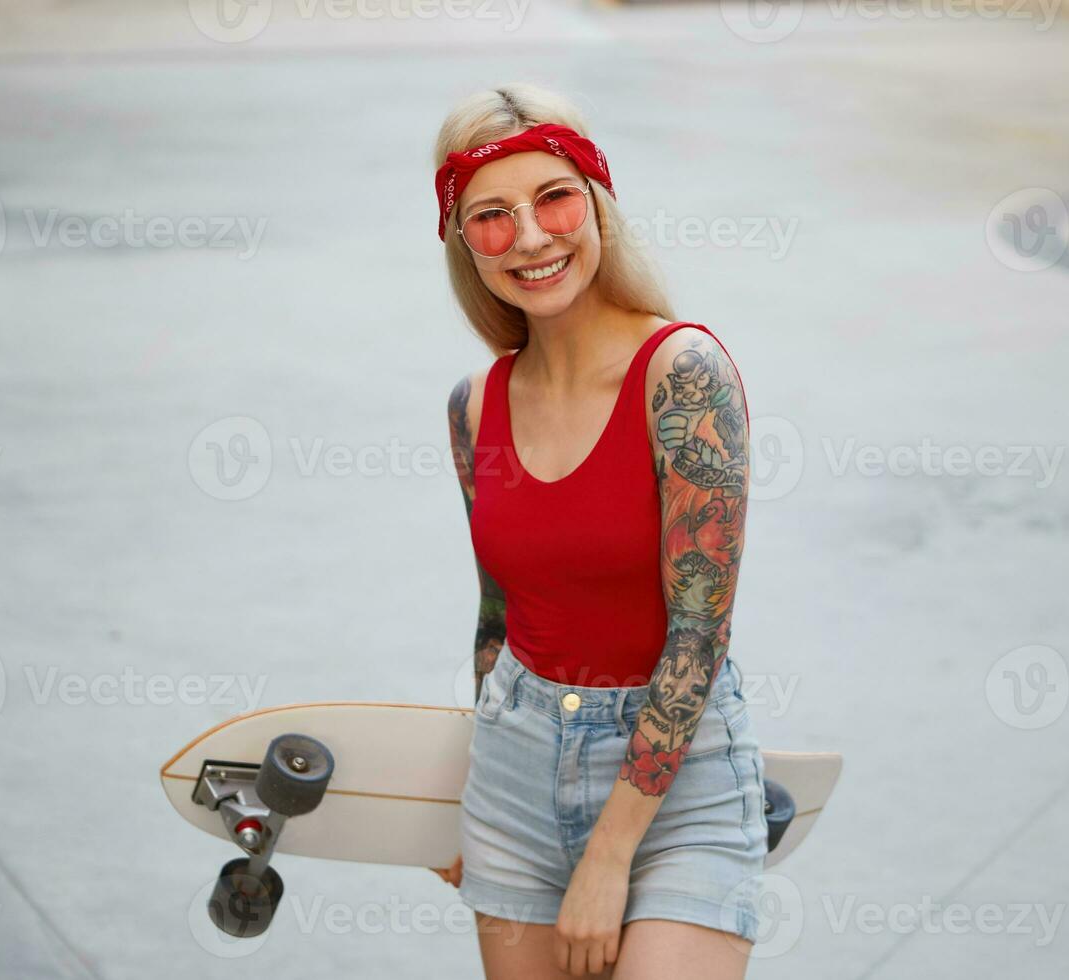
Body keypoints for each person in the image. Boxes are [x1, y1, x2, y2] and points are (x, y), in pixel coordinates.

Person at [434, 82, 767, 979]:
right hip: (515, 773)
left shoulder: (683, 374)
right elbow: (496, 620)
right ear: (463, 243)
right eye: (492, 216)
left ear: (597, 202)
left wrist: (609, 856)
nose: (533, 238)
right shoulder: (475, 407)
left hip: (675, 778)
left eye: (555, 198)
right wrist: (467, 799)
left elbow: (699, 634)